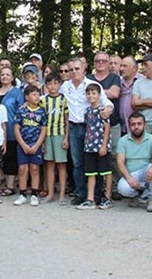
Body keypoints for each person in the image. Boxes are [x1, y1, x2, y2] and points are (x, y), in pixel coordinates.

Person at [61, 58, 113, 206]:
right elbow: (50, 93)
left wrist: (108, 110)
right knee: (77, 163)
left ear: (84, 68)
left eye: (77, 69)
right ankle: (80, 194)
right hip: (73, 127)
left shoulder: (92, 85)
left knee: (94, 162)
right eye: (71, 70)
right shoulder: (65, 86)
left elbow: (106, 101)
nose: (74, 72)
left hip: (91, 127)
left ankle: (96, 195)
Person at [115, 112, 152, 212]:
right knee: (122, 189)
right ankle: (135, 196)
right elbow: (120, 162)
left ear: (144, 125)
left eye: (139, 124)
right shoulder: (123, 141)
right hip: (131, 173)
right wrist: (129, 178)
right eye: (133, 124)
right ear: (129, 126)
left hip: (147, 172)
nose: (136, 127)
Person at [76, 83, 113, 210]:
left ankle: (107, 197)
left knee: (106, 172)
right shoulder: (87, 111)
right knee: (91, 173)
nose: (91, 96)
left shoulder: (103, 110)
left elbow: (107, 127)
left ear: (99, 95)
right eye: (88, 93)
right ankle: (90, 199)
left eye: (93, 93)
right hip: (89, 146)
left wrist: (104, 145)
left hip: (101, 146)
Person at [87, 51, 121, 186]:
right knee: (94, 158)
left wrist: (94, 92)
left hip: (113, 123)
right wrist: (103, 92)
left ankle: (114, 188)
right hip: (93, 127)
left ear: (108, 63)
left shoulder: (114, 77)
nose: (100, 63)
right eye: (97, 61)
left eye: (104, 61)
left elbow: (115, 93)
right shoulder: (88, 77)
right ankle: (98, 188)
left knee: (113, 156)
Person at [13, 85, 47, 206]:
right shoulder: (21, 111)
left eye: (38, 94)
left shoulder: (41, 111)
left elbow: (43, 130)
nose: (37, 97)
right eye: (33, 94)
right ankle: (22, 194)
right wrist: (23, 144)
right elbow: (16, 128)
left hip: (35, 145)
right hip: (23, 145)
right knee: (22, 169)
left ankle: (34, 194)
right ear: (27, 97)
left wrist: (37, 145)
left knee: (35, 169)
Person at [41, 73, 69, 205]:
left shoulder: (63, 99)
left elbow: (66, 120)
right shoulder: (43, 100)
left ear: (59, 84)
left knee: (62, 165)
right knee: (50, 164)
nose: (52, 86)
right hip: (47, 135)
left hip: (60, 134)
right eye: (49, 84)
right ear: (46, 85)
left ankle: (62, 194)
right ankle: (51, 193)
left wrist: (66, 138)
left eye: (55, 83)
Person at [0, 67, 24, 197]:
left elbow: (22, 110)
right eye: (2, 74)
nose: (5, 77)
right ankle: (1, 182)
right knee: (0, 157)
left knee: (10, 157)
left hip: (11, 129)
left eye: (8, 75)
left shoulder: (17, 92)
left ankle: (10, 186)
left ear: (12, 77)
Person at [119, 56, 141, 134]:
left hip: (139, 127)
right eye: (121, 66)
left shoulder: (143, 81)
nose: (121, 69)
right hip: (123, 128)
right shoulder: (119, 82)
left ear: (134, 68)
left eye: (124, 66)